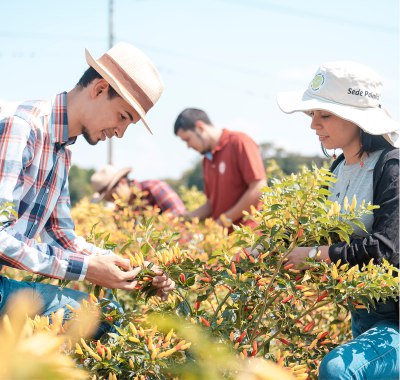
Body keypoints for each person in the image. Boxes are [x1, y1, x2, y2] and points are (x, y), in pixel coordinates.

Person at [0, 42, 175, 338]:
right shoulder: (21, 127)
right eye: (123, 117)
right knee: (101, 316)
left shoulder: (61, 152)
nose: (120, 133)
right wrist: (86, 270)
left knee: (106, 312)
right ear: (98, 89)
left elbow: (63, 237)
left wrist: (135, 270)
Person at [277, 61, 399, 380]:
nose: (313, 124)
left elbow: (387, 248)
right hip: (362, 313)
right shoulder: (337, 168)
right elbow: (310, 230)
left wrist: (317, 256)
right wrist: (264, 248)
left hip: (394, 318)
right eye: (312, 114)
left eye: (324, 114)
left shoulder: (391, 166)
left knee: (337, 370)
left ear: (355, 118)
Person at [174, 108, 266, 229]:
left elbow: (259, 187)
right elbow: (212, 205)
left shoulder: (239, 142)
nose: (188, 146)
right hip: (225, 240)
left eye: (187, 139)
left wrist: (224, 220)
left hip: (250, 236)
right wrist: (186, 218)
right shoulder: (207, 160)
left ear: (200, 127)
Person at [91, 164, 186, 215]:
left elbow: (181, 217)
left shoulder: (154, 188)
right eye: (110, 200)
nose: (115, 202)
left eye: (113, 196)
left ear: (122, 183)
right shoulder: (121, 211)